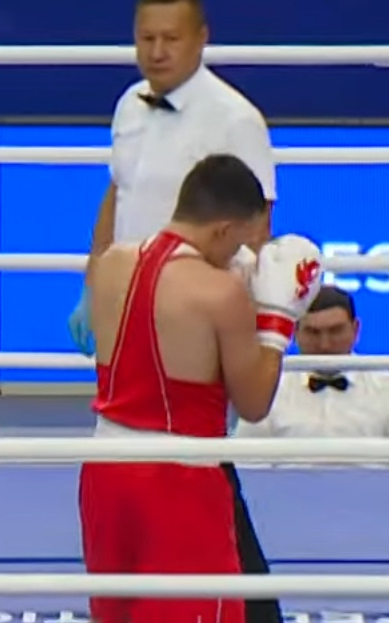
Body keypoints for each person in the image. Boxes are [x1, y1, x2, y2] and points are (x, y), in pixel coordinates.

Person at [62, 153, 323, 623]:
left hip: (105, 467)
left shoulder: (112, 263)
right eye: (243, 242)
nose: (243, 256)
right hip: (181, 478)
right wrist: (276, 323)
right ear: (224, 228)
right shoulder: (218, 294)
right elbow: (253, 403)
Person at [69, 0, 276, 356]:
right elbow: (120, 191)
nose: (157, 52)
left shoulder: (236, 119)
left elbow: (256, 227)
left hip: (195, 316)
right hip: (124, 301)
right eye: (147, 38)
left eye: (171, 39)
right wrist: (93, 284)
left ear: (201, 38)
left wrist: (223, 311)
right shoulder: (129, 104)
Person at [234, 285, 389, 441]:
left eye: (335, 331)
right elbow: (247, 465)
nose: (325, 344)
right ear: (295, 333)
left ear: (355, 330)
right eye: (313, 332)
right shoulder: (267, 390)